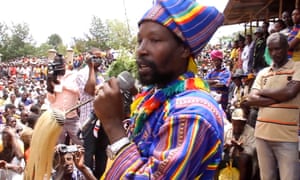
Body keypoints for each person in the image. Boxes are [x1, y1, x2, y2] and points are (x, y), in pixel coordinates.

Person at [93, 0, 225, 179]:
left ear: (184, 49)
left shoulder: (193, 113)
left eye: (154, 40)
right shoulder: (155, 95)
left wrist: (112, 125)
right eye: (140, 41)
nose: (140, 50)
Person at [242, 32, 300, 180]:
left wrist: (263, 92)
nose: (274, 53)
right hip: (262, 135)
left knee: (290, 176)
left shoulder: (297, 67)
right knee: (267, 177)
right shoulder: (263, 73)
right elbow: (251, 99)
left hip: (287, 137)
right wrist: (280, 97)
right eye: (271, 49)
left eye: (278, 48)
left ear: (287, 47)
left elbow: (290, 92)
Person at [75, 49, 109, 179]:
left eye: (100, 57)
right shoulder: (81, 74)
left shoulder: (101, 74)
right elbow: (90, 90)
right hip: (88, 120)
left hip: (103, 120)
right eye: (95, 57)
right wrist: (90, 68)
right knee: (88, 154)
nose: (98, 60)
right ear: (89, 58)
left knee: (102, 154)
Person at [46, 54, 82, 145]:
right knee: (58, 146)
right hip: (57, 118)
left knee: (81, 142)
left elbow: (80, 92)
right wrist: (50, 88)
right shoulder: (53, 76)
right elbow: (51, 100)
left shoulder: (74, 75)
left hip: (72, 117)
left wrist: (64, 86)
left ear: (64, 64)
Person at [219, 108, 256, 180]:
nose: (237, 128)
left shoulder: (251, 132)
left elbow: (251, 151)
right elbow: (218, 146)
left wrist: (240, 148)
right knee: (216, 157)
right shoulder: (226, 129)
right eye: (235, 124)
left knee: (243, 159)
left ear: (245, 123)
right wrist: (225, 145)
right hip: (227, 157)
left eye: (241, 125)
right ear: (232, 121)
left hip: (241, 161)